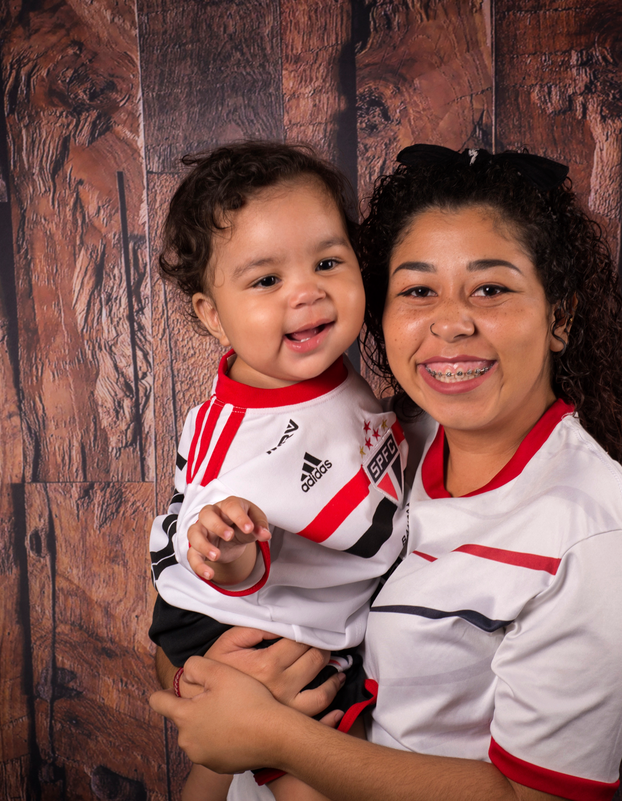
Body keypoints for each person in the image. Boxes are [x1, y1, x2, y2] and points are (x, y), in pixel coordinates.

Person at [149, 143, 622, 801]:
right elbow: (188, 589)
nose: (451, 322)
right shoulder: (397, 433)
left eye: (491, 288)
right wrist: (212, 676)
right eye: (418, 289)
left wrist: (272, 734)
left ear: (559, 316)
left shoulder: (593, 536)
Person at [147, 142, 412, 801]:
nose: (308, 291)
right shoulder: (246, 444)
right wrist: (230, 547)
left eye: (327, 261)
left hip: (305, 608)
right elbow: (213, 546)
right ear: (212, 313)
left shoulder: (312, 371)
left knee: (225, 764)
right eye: (266, 280)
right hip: (240, 615)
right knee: (305, 775)